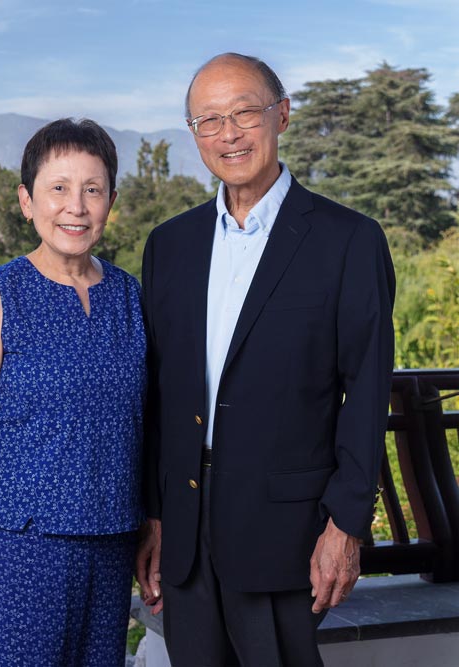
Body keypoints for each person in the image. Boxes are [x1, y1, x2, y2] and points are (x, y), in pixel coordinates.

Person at [136, 53, 396, 666]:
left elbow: (366, 392)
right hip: (185, 537)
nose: (229, 134)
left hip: (287, 535)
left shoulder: (348, 241)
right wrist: (153, 513)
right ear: (194, 135)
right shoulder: (169, 245)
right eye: (209, 121)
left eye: (244, 113)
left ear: (281, 115)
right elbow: (157, 392)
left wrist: (347, 525)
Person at [0, 118, 146, 666]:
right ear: (27, 201)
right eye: (58, 188)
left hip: (112, 544)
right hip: (19, 552)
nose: (76, 206)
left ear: (110, 201)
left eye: (92, 190)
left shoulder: (131, 296)